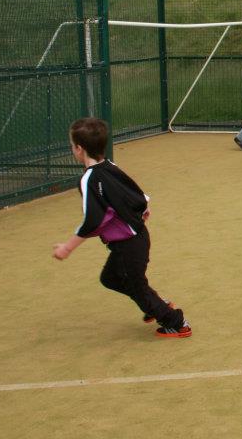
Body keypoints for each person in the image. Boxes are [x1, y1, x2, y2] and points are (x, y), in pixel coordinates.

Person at [52, 117, 191, 338]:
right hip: (132, 240)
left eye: (72, 145)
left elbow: (94, 220)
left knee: (136, 285)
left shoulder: (88, 179)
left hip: (129, 244)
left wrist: (67, 248)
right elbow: (136, 192)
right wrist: (143, 208)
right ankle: (156, 304)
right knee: (111, 278)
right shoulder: (110, 166)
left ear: (79, 149)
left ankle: (176, 322)